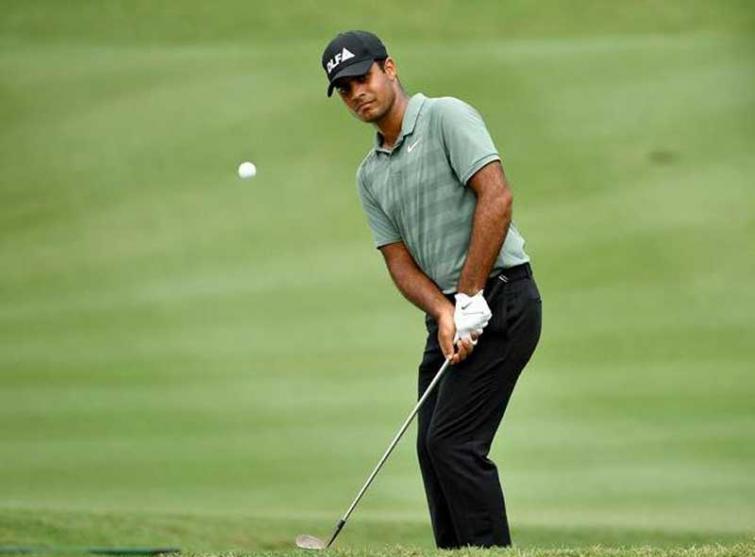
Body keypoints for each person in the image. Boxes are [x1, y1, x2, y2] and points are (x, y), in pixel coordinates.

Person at [320, 30, 542, 549]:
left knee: (454, 443)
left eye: (362, 78)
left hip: (503, 298)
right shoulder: (370, 175)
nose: (357, 94)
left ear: (389, 68)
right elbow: (398, 261)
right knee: (431, 447)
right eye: (344, 89)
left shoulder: (446, 117)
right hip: (453, 311)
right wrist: (445, 312)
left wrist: (470, 296)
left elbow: (496, 197)